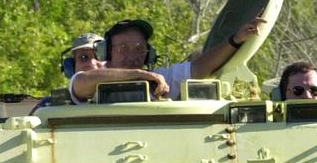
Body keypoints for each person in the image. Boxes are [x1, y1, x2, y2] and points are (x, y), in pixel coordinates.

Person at [69, 17, 264, 103]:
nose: (133, 56)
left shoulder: (160, 78)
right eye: (123, 48)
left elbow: (200, 68)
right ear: (106, 52)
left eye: (139, 49)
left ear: (149, 54)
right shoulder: (93, 80)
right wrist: (140, 75)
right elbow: (81, 82)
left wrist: (235, 40)